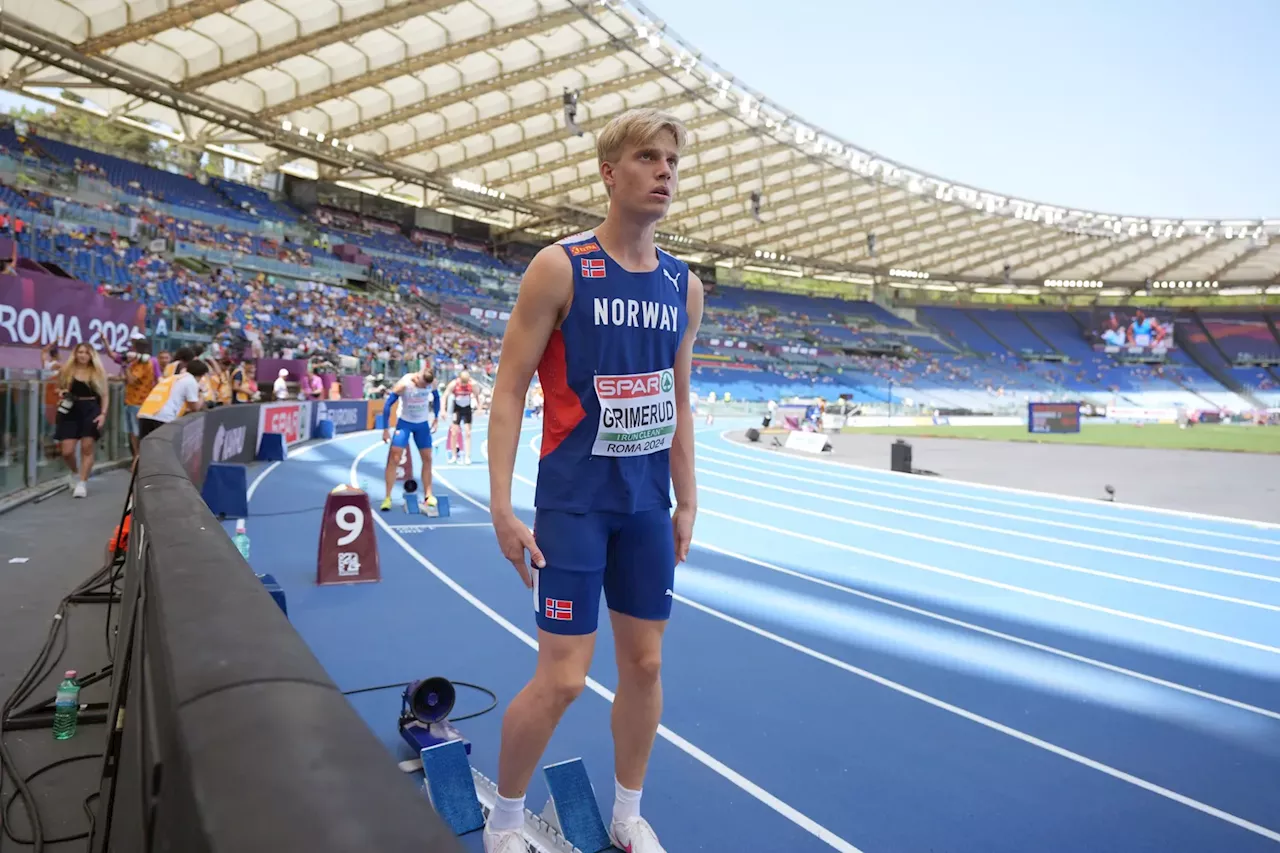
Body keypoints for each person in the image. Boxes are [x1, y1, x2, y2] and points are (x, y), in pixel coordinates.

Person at [483, 107, 704, 853]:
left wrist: (688, 498)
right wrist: (502, 505)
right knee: (564, 677)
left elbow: (677, 398)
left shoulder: (684, 285)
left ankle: (627, 811)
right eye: (648, 157)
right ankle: (506, 817)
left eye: (672, 159)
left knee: (645, 663)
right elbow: (510, 387)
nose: (664, 171)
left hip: (646, 505)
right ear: (611, 173)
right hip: (574, 503)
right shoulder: (561, 266)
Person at [379, 364, 440, 512]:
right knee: (394, 458)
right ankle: (387, 497)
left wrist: (436, 418)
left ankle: (428, 494)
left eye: (425, 386)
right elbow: (387, 405)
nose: (423, 387)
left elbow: (437, 399)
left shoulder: (432, 383)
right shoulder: (404, 384)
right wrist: (385, 429)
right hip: (405, 423)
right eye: (421, 384)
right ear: (417, 377)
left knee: (427, 458)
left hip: (422, 425)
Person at [54, 343, 109, 498]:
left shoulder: (97, 372)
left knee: (87, 446)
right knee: (67, 451)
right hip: (70, 409)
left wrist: (103, 414)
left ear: (91, 355)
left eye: (86, 352)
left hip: (91, 409)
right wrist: (62, 393)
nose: (83, 355)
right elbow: (58, 388)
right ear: (75, 354)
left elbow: (105, 395)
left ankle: (82, 482)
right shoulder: (67, 371)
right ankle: (74, 472)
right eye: (80, 352)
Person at [136, 358, 208, 441]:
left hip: (146, 414)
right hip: (163, 418)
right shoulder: (191, 381)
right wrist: (202, 394)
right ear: (201, 375)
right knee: (163, 449)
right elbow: (195, 407)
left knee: (147, 448)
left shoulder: (173, 378)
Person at [443, 369, 477, 464]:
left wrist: (480, 407)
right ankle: (454, 456)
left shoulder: (472, 384)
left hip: (467, 409)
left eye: (465, 382)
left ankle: (467, 456)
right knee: (454, 433)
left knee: (468, 433)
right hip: (457, 409)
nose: (464, 384)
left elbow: (477, 395)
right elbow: (444, 396)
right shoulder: (454, 384)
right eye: (463, 382)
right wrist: (443, 410)